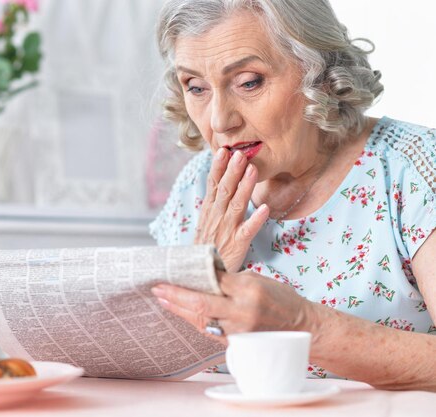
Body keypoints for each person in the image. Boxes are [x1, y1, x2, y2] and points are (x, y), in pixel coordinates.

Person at [149, 0, 436, 391]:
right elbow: (163, 364)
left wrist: (305, 324)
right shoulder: (197, 185)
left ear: (319, 74)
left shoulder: (412, 166)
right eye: (196, 88)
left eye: (249, 82)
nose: (219, 120)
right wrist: (200, 271)